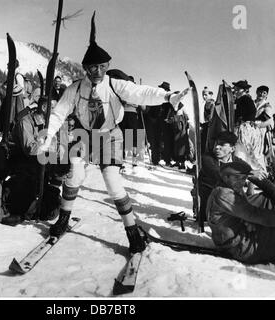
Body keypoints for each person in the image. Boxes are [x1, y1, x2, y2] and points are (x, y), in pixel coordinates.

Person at [38, 12, 189, 254]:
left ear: (107, 66)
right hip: (84, 134)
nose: (97, 71)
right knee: (74, 176)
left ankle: (132, 232)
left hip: (109, 135)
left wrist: (167, 97)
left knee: (113, 183)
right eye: (92, 67)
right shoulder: (75, 88)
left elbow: (141, 92)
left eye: (101, 66)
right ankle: (63, 220)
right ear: (85, 68)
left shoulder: (114, 85)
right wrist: (46, 138)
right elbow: (58, 114)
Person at [207, 160, 275, 264]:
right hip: (237, 246)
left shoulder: (230, 187)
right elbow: (253, 213)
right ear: (226, 177)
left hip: (237, 237)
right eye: (236, 178)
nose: (241, 182)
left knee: (265, 202)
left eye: (243, 178)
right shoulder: (224, 194)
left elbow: (244, 212)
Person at [254, 85, 274, 166]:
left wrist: (257, 125)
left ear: (266, 95)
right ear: (256, 92)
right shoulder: (252, 102)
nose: (261, 94)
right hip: (249, 129)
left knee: (259, 151)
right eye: (260, 92)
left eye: (264, 93)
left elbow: (268, 120)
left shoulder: (267, 106)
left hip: (261, 131)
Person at [200, 87, 215, 153]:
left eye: (206, 95)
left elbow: (211, 116)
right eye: (203, 95)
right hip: (206, 124)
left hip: (211, 126)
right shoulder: (206, 103)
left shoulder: (212, 103)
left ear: (210, 95)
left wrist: (207, 124)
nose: (204, 96)